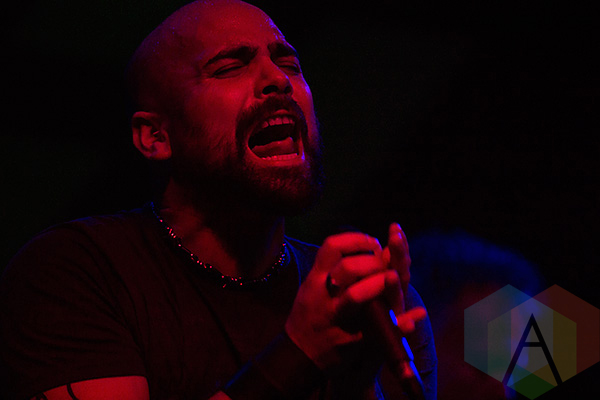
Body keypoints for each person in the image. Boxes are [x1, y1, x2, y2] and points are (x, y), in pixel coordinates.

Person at [0, 1, 436, 399]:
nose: (277, 80)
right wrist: (298, 355)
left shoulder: (366, 305)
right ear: (155, 137)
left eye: (289, 63)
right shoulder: (75, 274)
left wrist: (358, 384)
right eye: (229, 68)